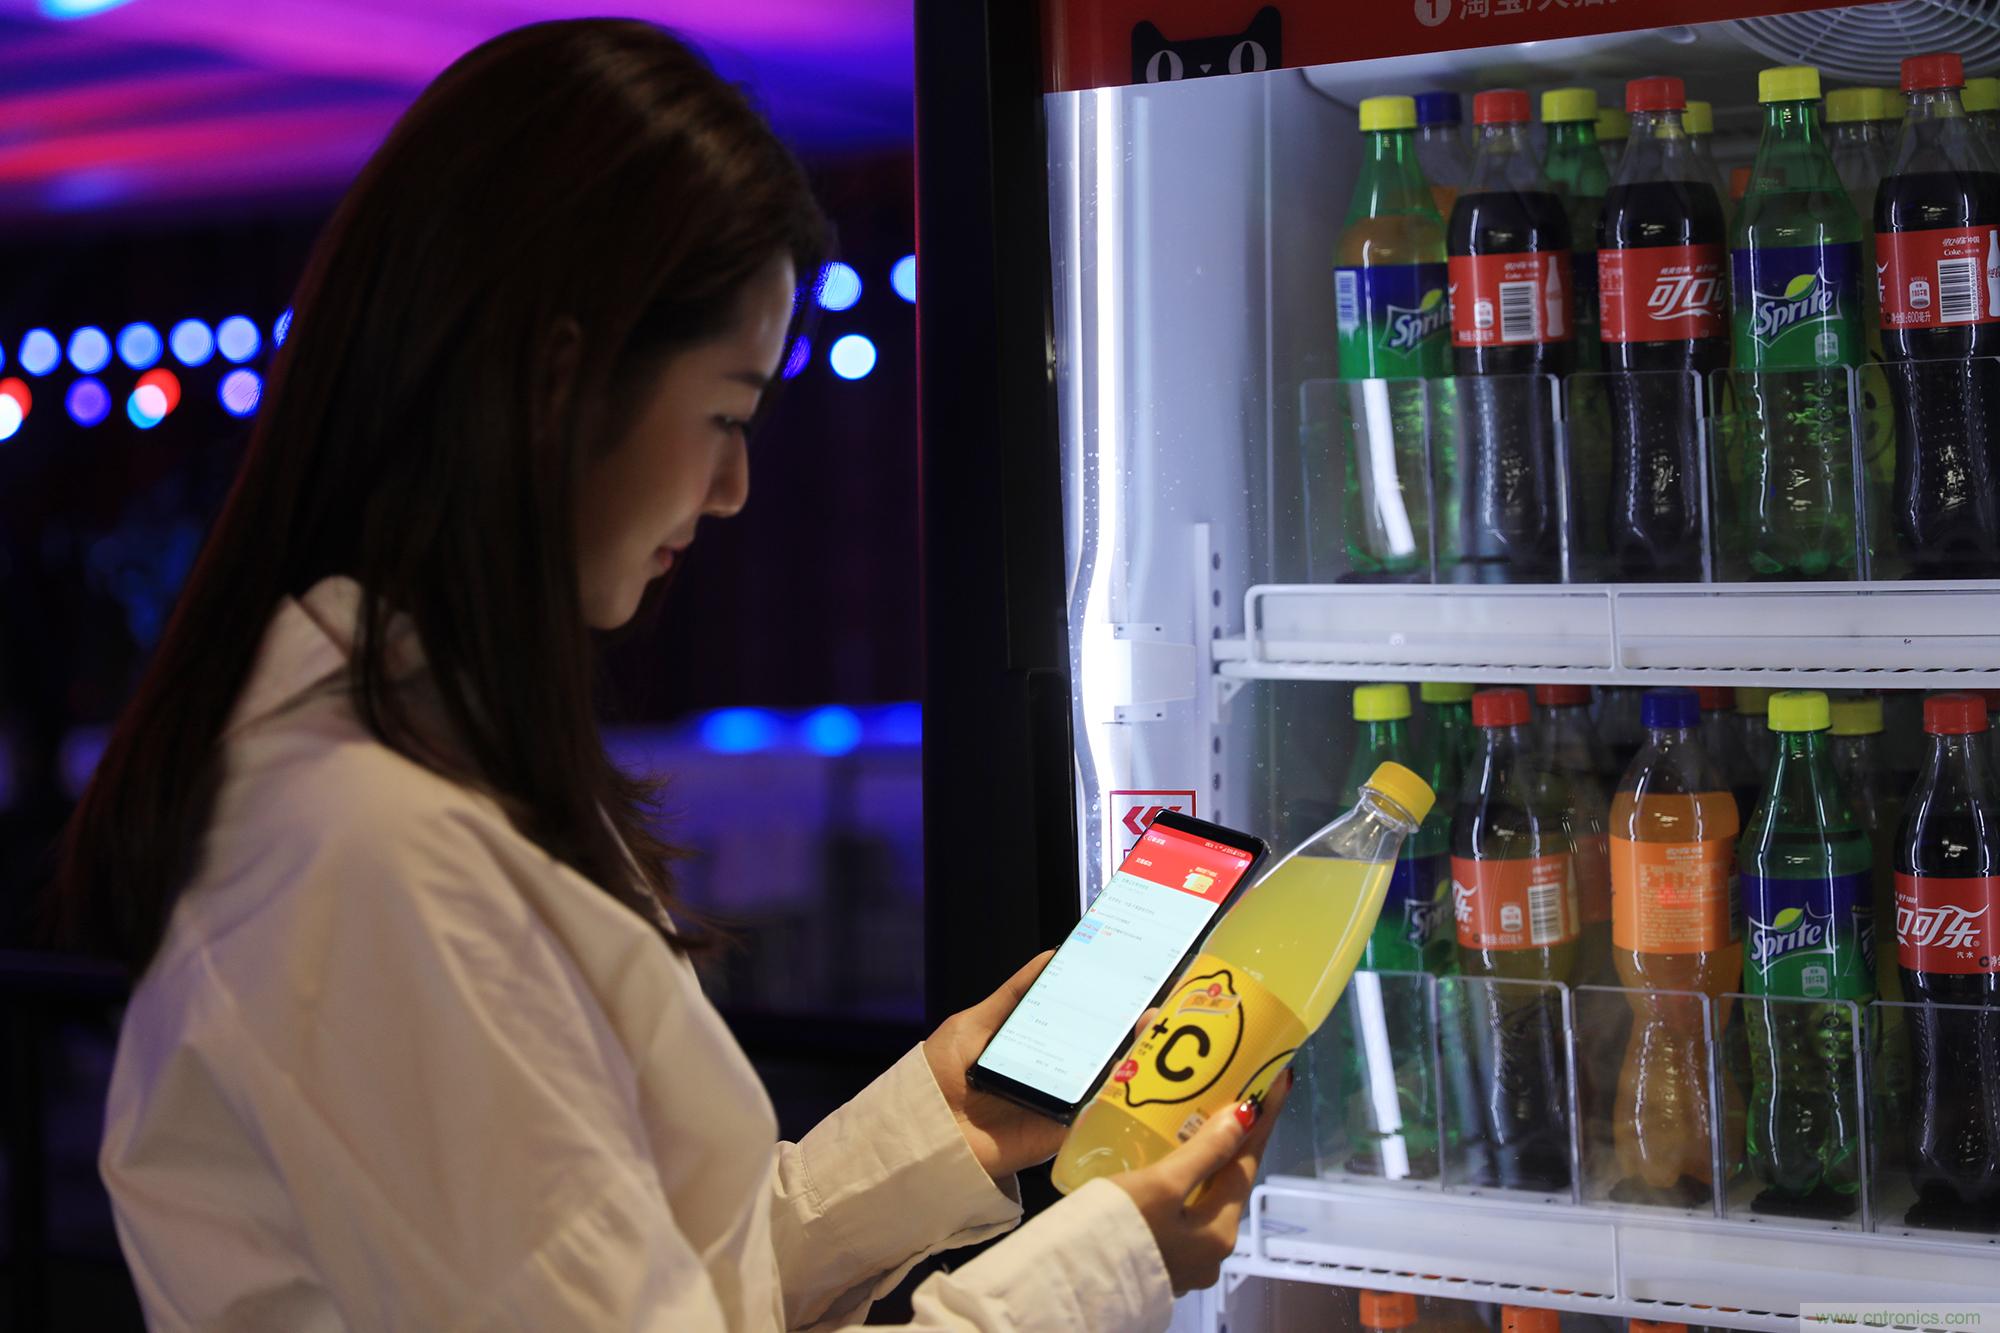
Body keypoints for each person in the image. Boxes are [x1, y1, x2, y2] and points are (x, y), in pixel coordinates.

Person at [47, 20, 1286, 1331]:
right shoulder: (377, 844)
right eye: (726, 414)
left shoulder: (408, 767)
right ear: (561, 379)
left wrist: (949, 1120)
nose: (736, 486)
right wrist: (1105, 1264)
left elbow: (648, 1276)